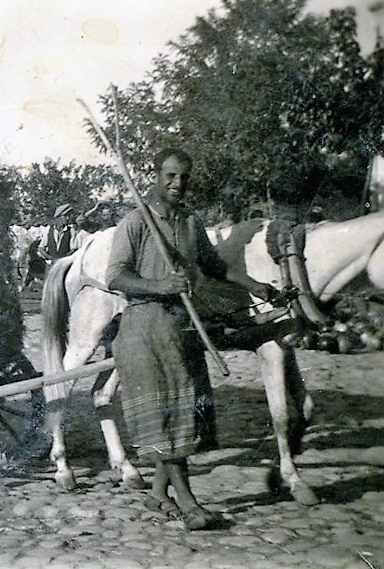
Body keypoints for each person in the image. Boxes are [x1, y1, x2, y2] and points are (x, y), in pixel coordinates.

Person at [105, 147, 276, 531]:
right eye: (170, 176)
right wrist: (161, 286)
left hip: (183, 330)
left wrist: (256, 286)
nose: (177, 183)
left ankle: (157, 495)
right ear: (155, 175)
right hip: (144, 331)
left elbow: (214, 266)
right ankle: (188, 503)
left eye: (184, 177)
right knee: (167, 422)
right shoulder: (135, 222)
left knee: (183, 416)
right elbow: (115, 276)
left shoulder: (189, 222)